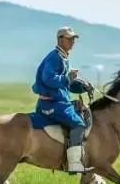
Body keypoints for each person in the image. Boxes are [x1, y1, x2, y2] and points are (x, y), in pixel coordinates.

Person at [31, 27, 93, 173]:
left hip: (59, 102)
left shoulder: (63, 57)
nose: (72, 41)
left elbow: (67, 85)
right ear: (60, 39)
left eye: (73, 39)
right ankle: (74, 164)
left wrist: (84, 86)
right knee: (78, 124)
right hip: (51, 104)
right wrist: (67, 78)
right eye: (69, 38)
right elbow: (49, 79)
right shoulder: (54, 57)